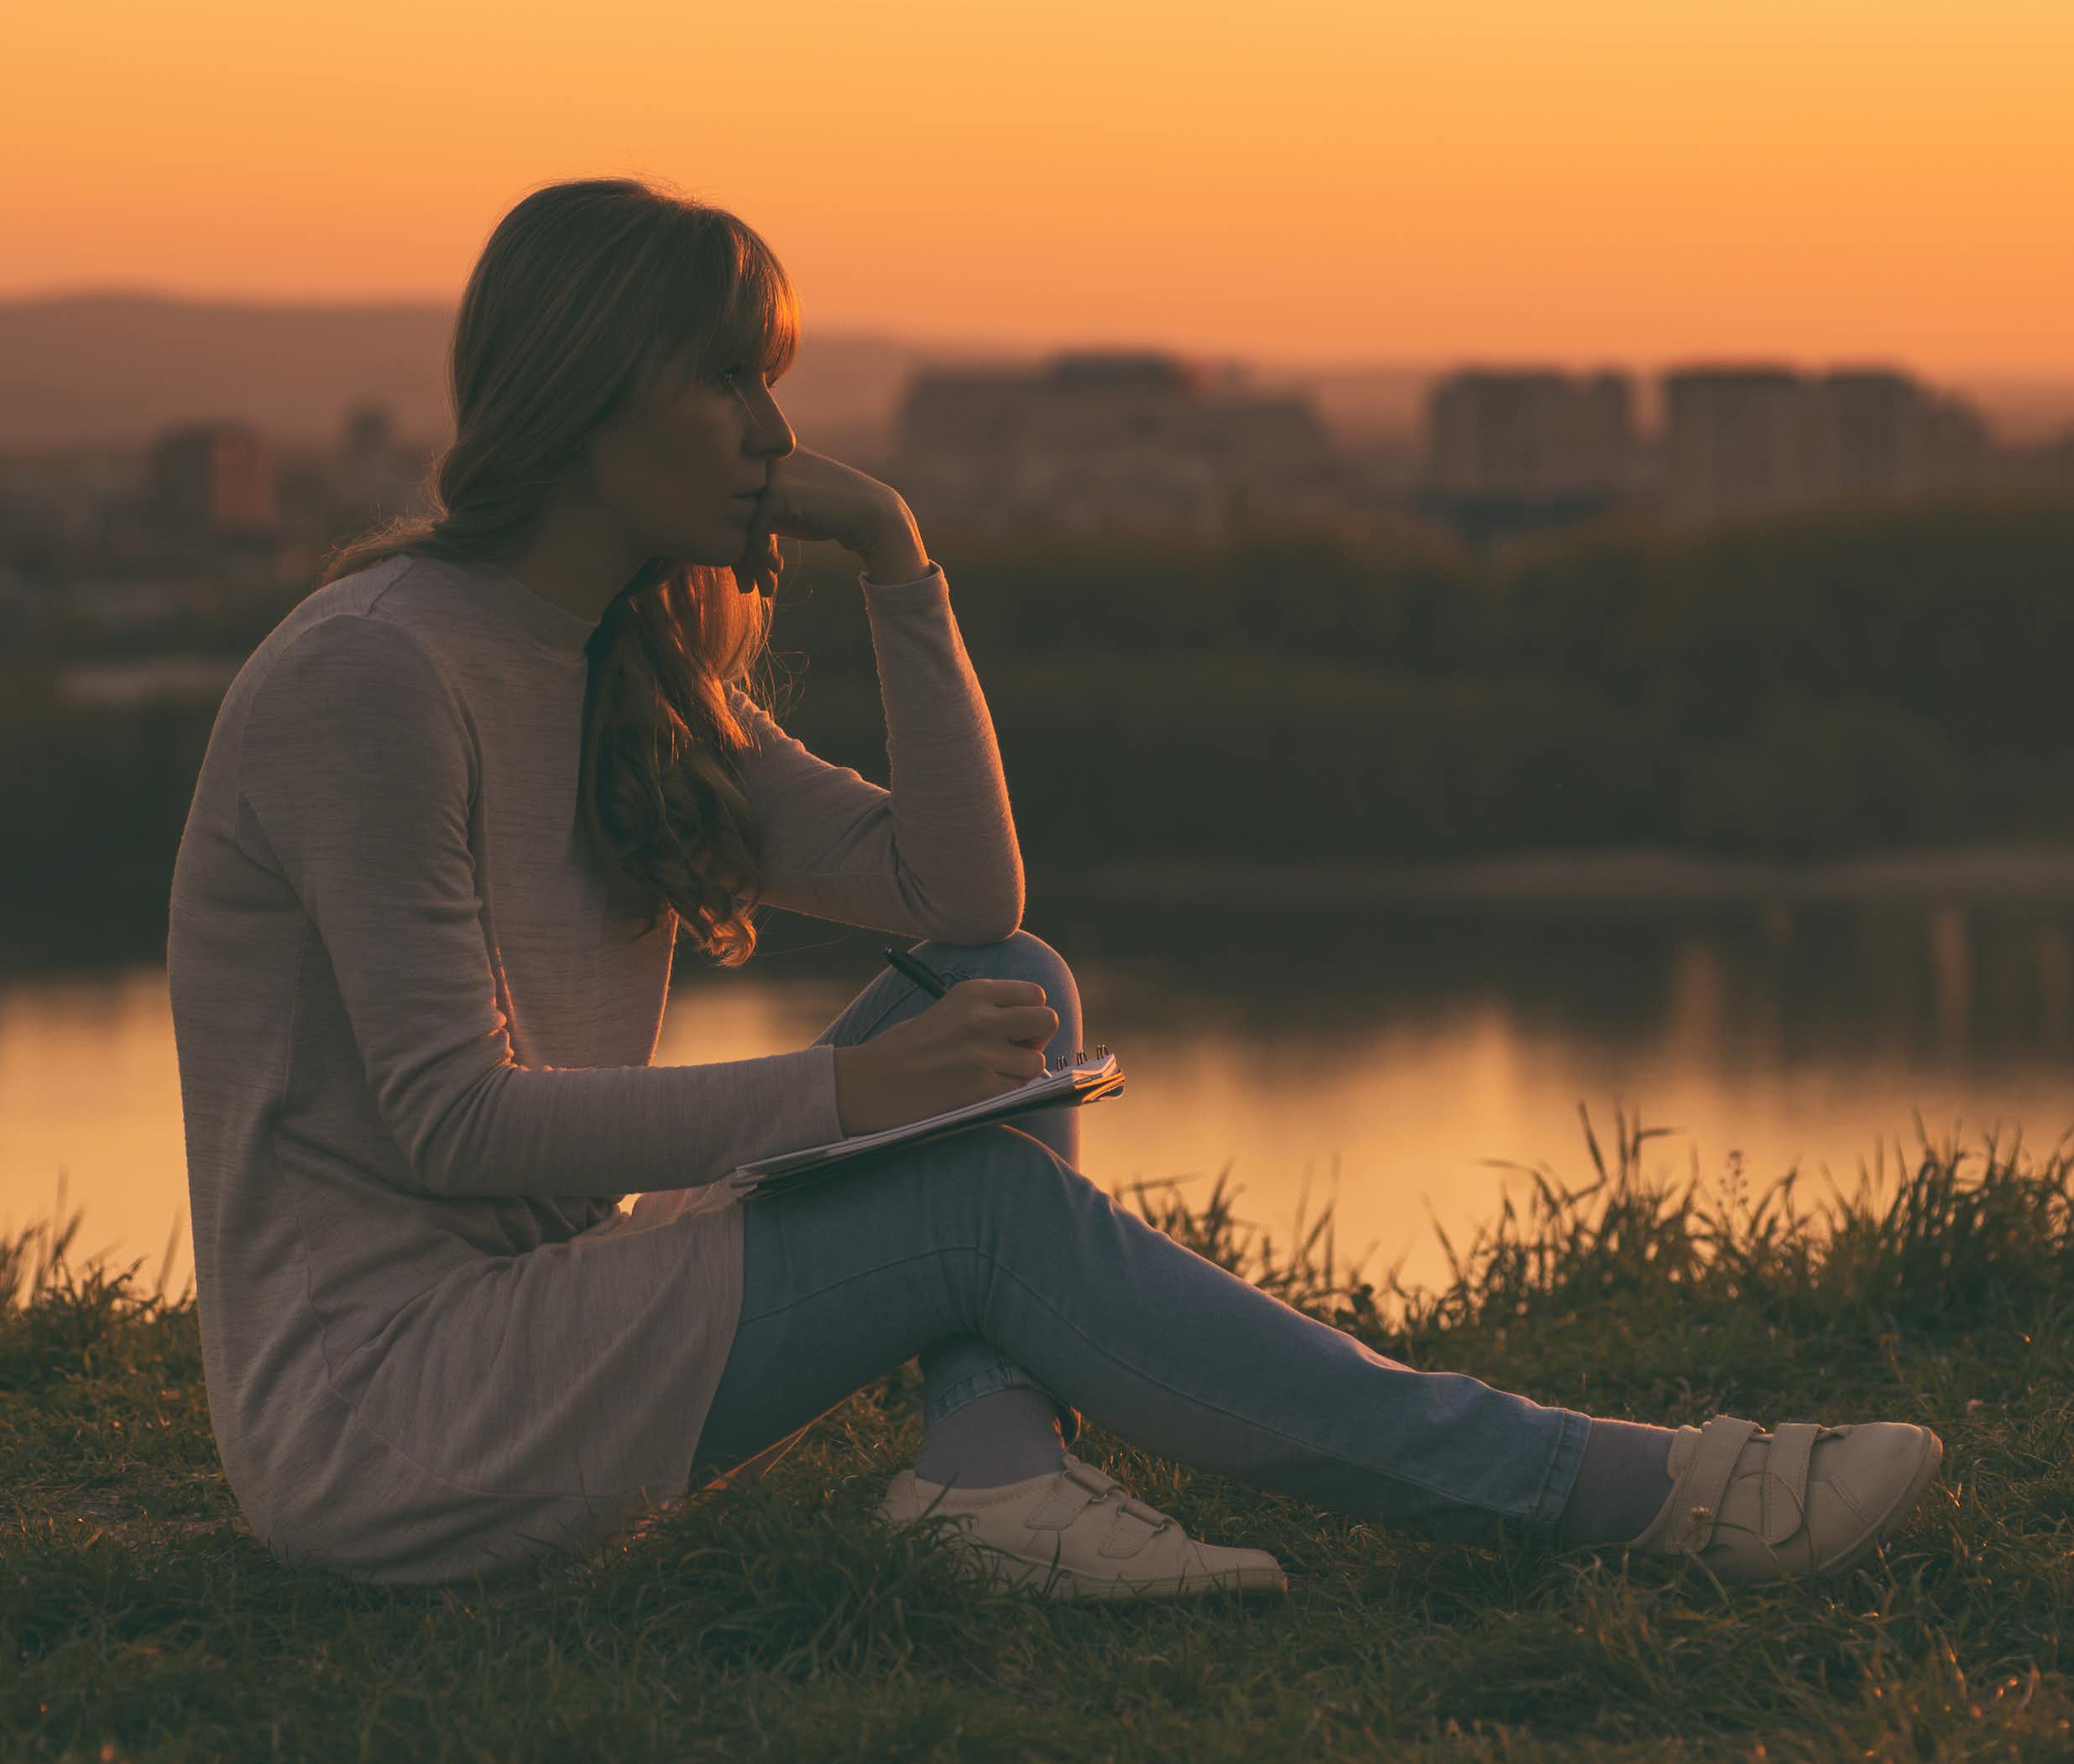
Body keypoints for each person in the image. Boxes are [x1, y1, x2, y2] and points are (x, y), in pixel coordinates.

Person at [166, 177, 1943, 1596]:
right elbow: (450, 1125)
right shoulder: (375, 675)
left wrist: (898, 564)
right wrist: (849, 1096)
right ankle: (1641, 1492)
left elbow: (956, 890)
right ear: (582, 395)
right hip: (384, 1420)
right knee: (981, 1210)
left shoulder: (623, 666)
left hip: (541, 1346)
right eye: (722, 377)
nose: (767, 428)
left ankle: (993, 1476)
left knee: (1004, 978)